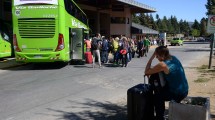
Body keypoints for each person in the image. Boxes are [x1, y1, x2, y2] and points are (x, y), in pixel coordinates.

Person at [144, 46, 189, 120]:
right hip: (185, 90)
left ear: (162, 56)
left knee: (157, 97)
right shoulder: (173, 58)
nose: (156, 58)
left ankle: (159, 117)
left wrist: (151, 57)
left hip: (178, 94)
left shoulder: (162, 65)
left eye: (157, 56)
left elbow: (146, 71)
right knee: (157, 76)